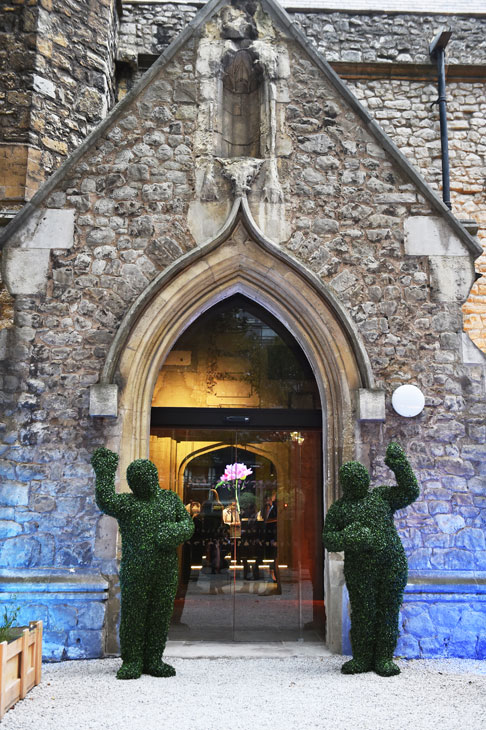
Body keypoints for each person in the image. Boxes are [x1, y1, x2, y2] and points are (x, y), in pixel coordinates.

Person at [91, 447, 194, 679]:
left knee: (160, 614)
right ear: (132, 483)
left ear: (154, 478)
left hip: (165, 569)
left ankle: (154, 659)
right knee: (133, 614)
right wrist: (105, 470)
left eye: (145, 477)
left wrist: (171, 533)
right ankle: (132, 660)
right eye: (136, 479)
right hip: (136, 570)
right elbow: (105, 500)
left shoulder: (169, 499)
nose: (142, 482)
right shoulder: (128, 504)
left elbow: (187, 525)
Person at [322, 442, 419, 676]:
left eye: (360, 477)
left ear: (366, 479)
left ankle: (384, 659)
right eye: (352, 479)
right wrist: (349, 537)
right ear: (345, 484)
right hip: (359, 569)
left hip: (391, 565)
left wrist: (399, 465)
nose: (357, 482)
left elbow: (410, 491)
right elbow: (328, 539)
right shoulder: (340, 509)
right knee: (363, 612)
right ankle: (363, 658)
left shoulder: (382, 496)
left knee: (388, 611)